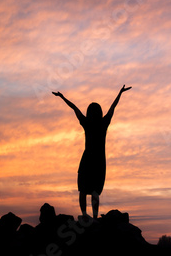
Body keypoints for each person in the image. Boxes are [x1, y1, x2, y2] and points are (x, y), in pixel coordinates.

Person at [52, 85, 132, 219]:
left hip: (89, 160)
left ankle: (86, 216)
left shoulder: (88, 122)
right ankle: (92, 218)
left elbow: (74, 108)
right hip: (98, 161)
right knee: (93, 192)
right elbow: (113, 107)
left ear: (89, 112)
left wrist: (62, 97)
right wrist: (120, 93)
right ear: (99, 112)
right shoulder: (103, 122)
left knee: (84, 190)